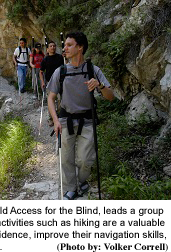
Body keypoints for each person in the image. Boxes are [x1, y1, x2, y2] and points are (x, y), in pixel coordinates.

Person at [47, 32, 114, 200]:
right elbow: (51, 97)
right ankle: (70, 188)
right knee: (66, 158)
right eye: (65, 45)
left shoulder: (93, 70)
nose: (65, 48)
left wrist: (100, 85)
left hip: (87, 119)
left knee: (86, 159)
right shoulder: (60, 71)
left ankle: (82, 180)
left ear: (80, 47)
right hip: (65, 119)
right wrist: (55, 121)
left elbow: (110, 96)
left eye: (70, 45)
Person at [39, 41, 64, 126]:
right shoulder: (45, 59)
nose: (53, 47)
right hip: (49, 83)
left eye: (54, 46)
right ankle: (51, 118)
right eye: (51, 46)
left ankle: (58, 116)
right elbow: (41, 72)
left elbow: (66, 67)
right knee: (51, 101)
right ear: (48, 48)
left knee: (61, 100)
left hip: (60, 82)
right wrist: (42, 82)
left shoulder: (60, 57)